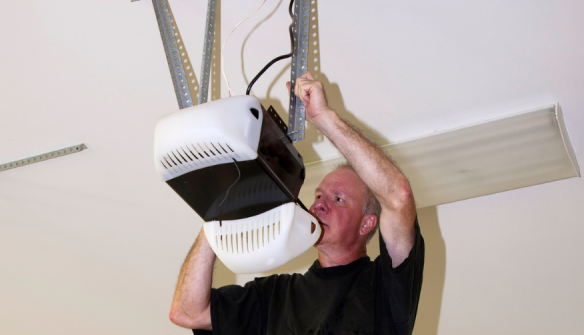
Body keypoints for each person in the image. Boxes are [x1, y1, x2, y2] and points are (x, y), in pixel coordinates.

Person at [169, 72, 425, 335]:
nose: (319, 206)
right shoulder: (273, 298)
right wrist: (219, 208)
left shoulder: (384, 286)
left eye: (338, 199)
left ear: (367, 223)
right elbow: (187, 312)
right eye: (318, 196)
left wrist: (323, 119)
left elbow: (398, 196)